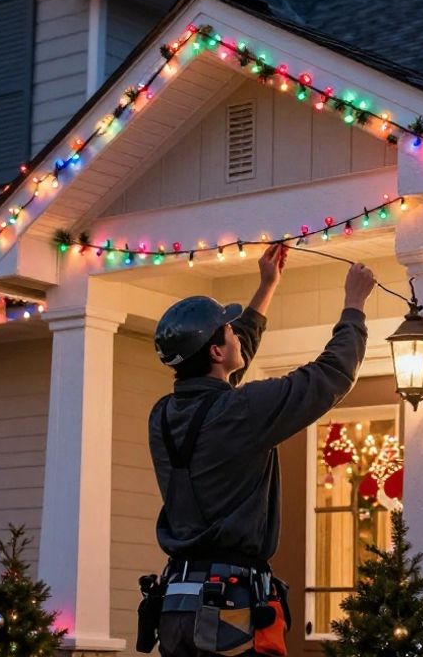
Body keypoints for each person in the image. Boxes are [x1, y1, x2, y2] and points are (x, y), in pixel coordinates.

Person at [143, 242, 375, 657]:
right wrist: (353, 306)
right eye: (229, 330)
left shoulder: (163, 416)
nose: (236, 333)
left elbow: (221, 378)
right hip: (229, 609)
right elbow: (330, 376)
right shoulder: (240, 411)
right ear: (216, 351)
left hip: (178, 604)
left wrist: (267, 286)